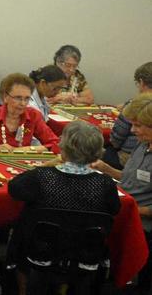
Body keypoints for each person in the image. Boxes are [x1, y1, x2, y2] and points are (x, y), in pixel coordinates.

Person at [8, 121, 121, 295]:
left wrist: (49, 164)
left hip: (40, 251)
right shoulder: (105, 184)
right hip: (85, 254)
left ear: (64, 147)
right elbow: (114, 210)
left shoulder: (41, 177)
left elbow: (14, 188)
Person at [91, 92, 152, 231]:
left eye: (137, 125)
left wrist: (128, 208)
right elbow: (130, 178)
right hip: (121, 213)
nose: (132, 130)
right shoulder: (143, 144)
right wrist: (106, 168)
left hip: (140, 227)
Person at [0, 73, 60, 152]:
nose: (23, 103)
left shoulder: (33, 115)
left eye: (27, 98)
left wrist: (29, 149)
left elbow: (55, 144)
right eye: (18, 98)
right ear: (5, 97)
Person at [107, 62, 152, 168]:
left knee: (102, 151)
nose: (133, 129)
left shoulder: (136, 105)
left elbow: (115, 140)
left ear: (141, 82)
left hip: (129, 157)